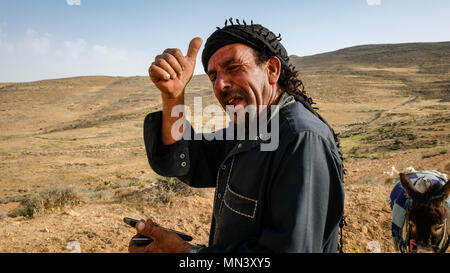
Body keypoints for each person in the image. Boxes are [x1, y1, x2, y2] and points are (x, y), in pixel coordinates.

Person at [128, 19, 345, 253]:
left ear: (272, 69)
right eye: (213, 77)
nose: (220, 84)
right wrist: (173, 96)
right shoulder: (248, 129)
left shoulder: (302, 139)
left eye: (233, 68)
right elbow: (184, 159)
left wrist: (187, 253)